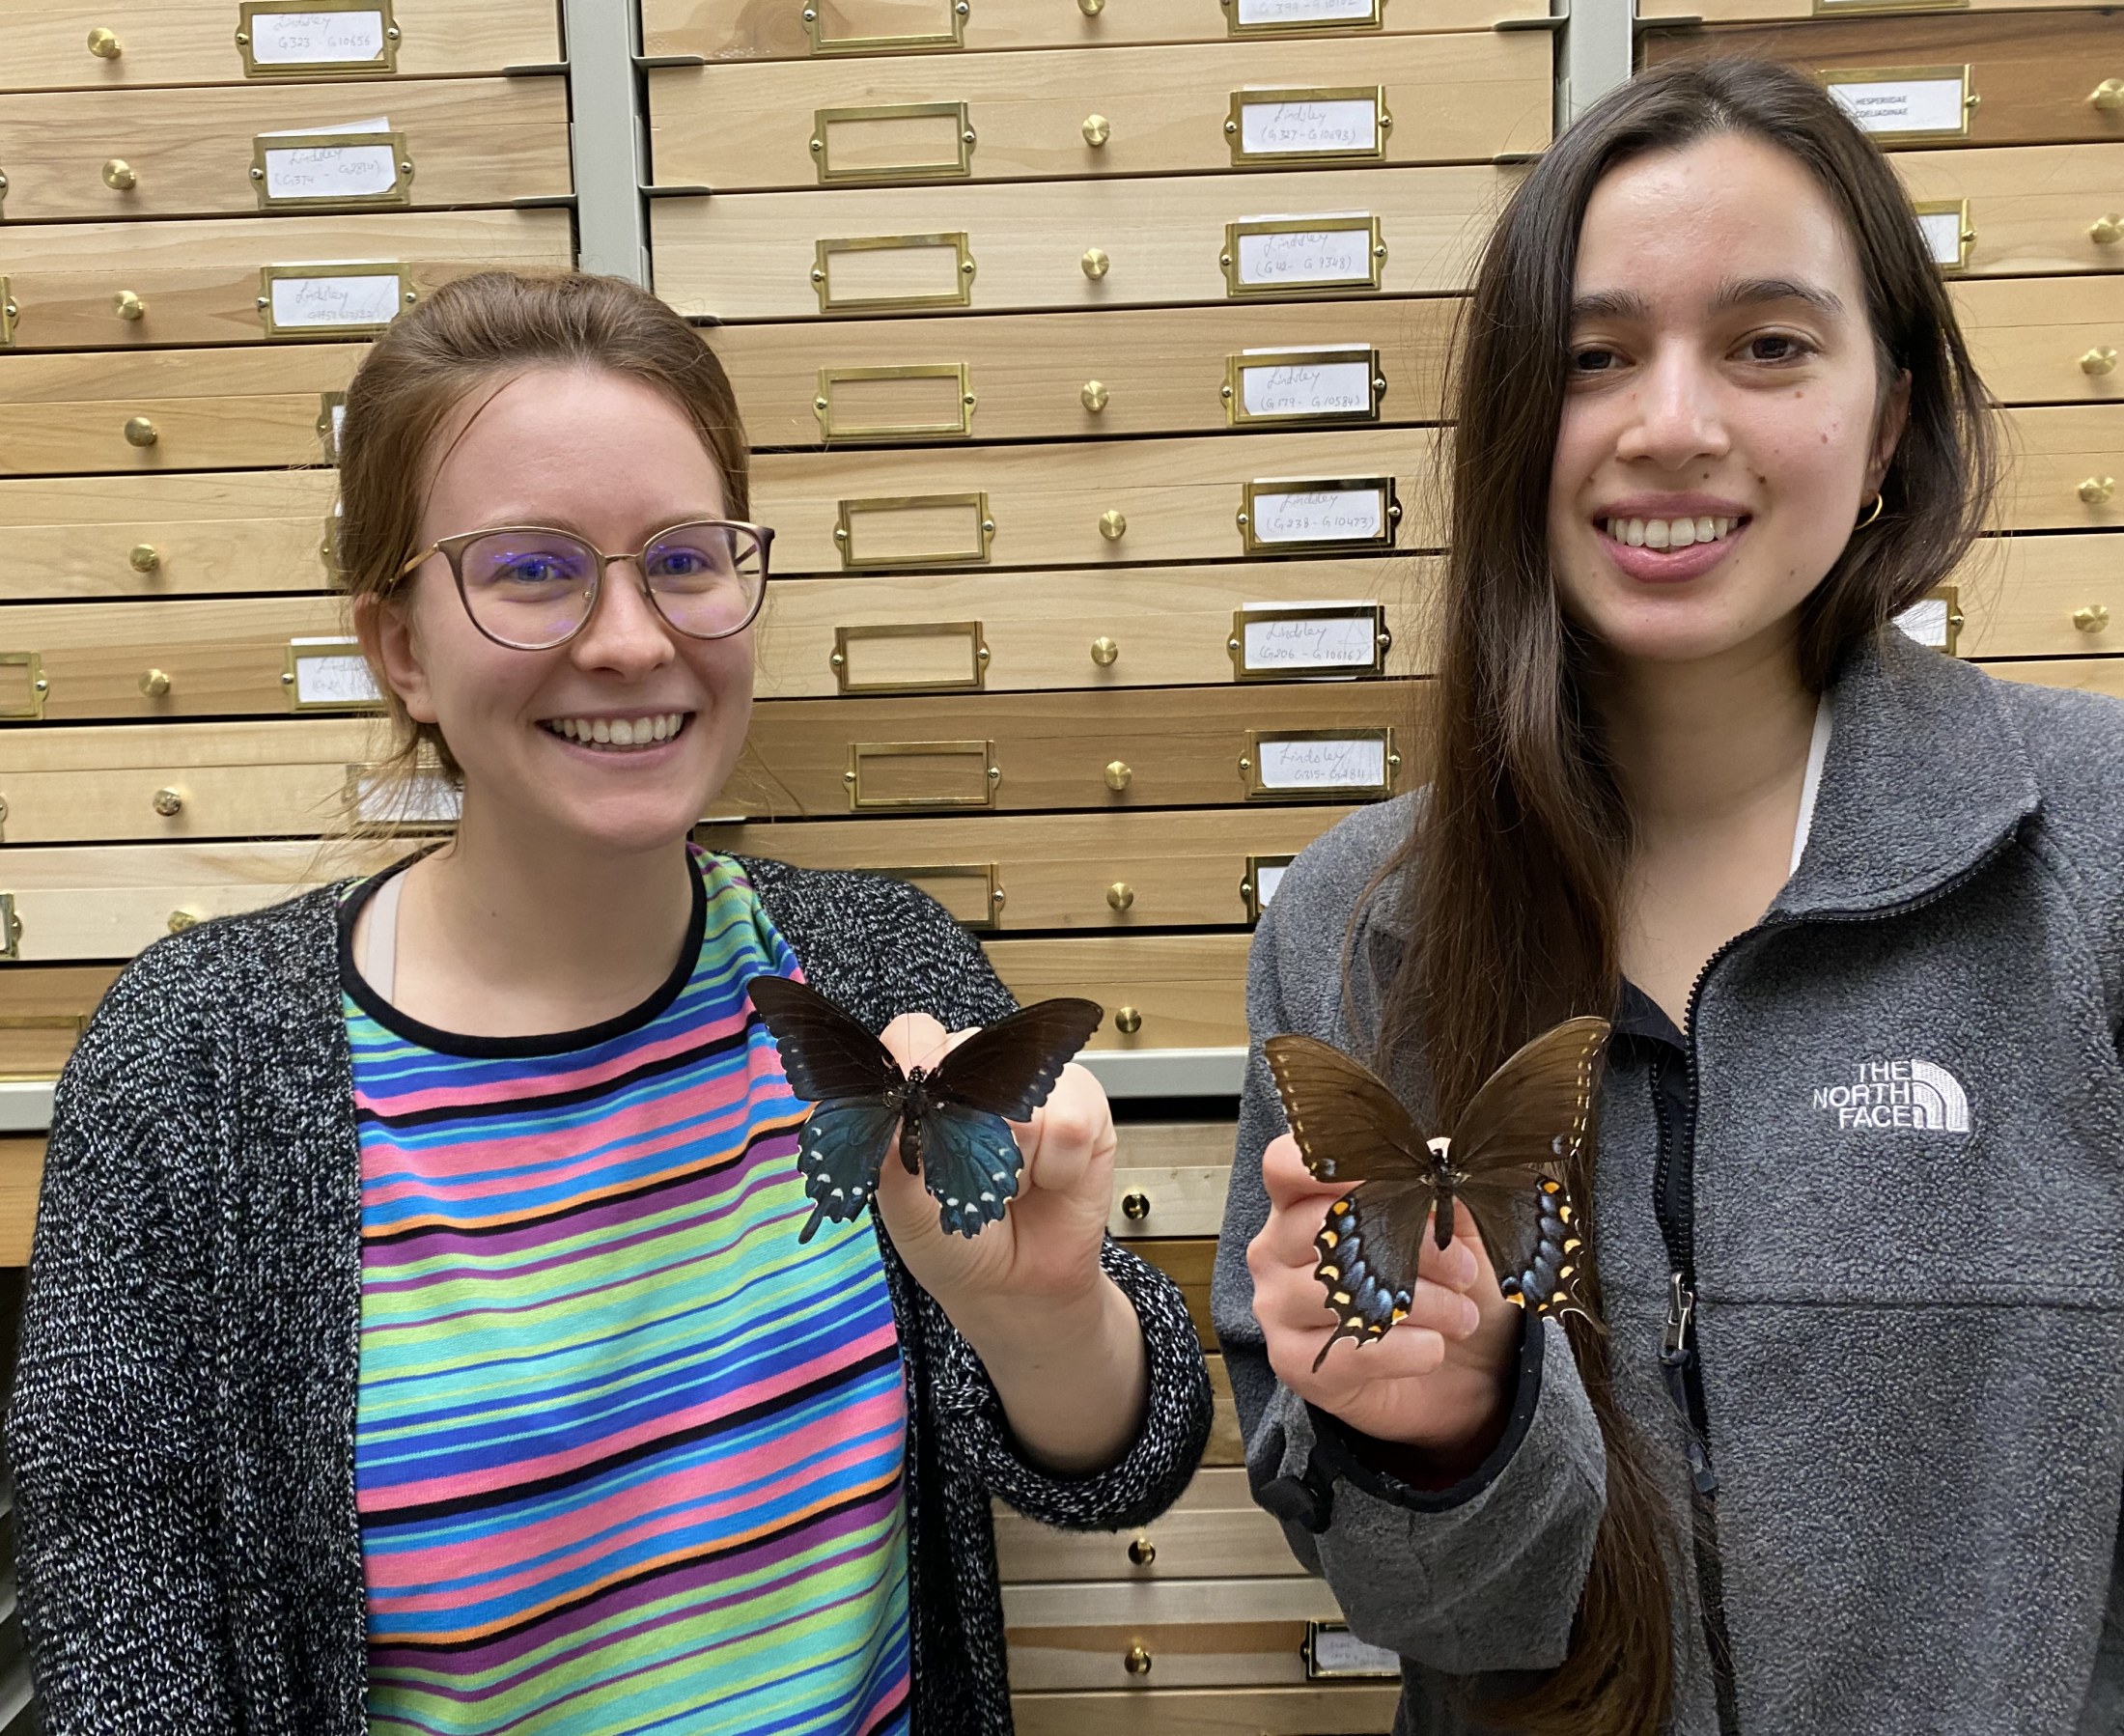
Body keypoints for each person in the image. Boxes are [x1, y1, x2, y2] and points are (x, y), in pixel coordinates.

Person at [8, 270, 1212, 1736]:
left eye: (685, 560)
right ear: (400, 646)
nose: (634, 639)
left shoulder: (876, 967)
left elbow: (1129, 1451)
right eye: (532, 568)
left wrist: (1042, 1319)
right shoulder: (191, 1067)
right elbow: (122, 1670)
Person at [1214, 57, 2124, 1736]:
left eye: (1770, 345)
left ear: (1893, 417)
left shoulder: (2099, 842)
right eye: (1593, 357)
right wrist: (1446, 1429)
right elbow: (1427, 1613)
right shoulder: (1356, 921)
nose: (1673, 424)